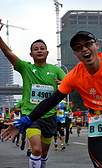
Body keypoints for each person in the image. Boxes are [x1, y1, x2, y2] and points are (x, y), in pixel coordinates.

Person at [2, 30, 102, 168]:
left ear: (96, 46)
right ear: (75, 54)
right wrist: (24, 121)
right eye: (78, 47)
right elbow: (50, 101)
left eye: (88, 44)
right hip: (96, 123)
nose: (84, 49)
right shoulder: (74, 75)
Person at [0, 20, 66, 168]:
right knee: (35, 149)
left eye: (42, 48)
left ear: (47, 52)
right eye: (36, 49)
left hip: (50, 116)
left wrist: (64, 84)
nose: (39, 50)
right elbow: (8, 52)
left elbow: (70, 84)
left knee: (43, 152)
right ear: (31, 54)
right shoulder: (25, 68)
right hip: (31, 115)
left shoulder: (56, 70)